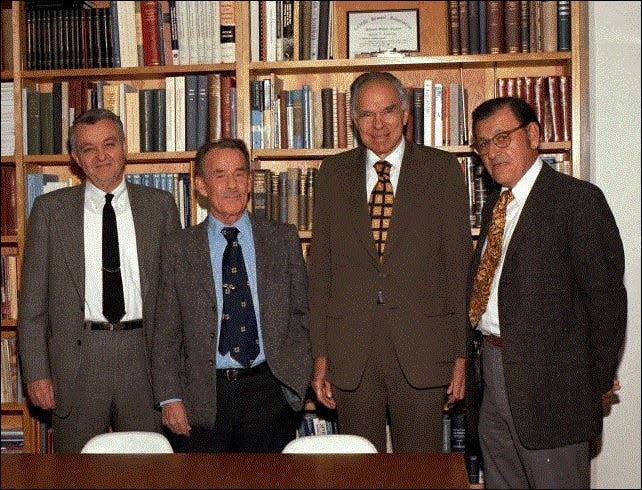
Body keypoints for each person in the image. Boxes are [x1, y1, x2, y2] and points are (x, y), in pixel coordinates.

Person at [465, 96, 627, 488]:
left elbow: (607, 306)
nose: (492, 151)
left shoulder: (578, 202)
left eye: (503, 137)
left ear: (534, 135)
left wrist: (591, 384)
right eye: (483, 143)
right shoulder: (497, 208)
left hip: (554, 395)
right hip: (492, 377)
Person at [308, 71, 472, 452]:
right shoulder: (332, 174)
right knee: (359, 471)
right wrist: (320, 357)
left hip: (425, 351)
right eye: (366, 115)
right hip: (351, 355)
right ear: (352, 120)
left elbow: (459, 272)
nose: (377, 124)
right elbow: (321, 275)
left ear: (405, 114)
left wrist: (461, 356)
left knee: (418, 473)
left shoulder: (443, 171)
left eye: (387, 111)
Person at [17, 108, 182, 453]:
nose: (101, 155)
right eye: (89, 149)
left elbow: (174, 298)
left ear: (124, 147)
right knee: (74, 472)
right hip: (77, 361)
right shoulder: (49, 211)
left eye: (109, 144)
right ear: (76, 158)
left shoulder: (161, 206)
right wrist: (36, 372)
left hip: (144, 356)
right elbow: (32, 306)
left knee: (147, 469)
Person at [151, 138, 311, 452]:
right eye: (220, 175)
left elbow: (303, 316)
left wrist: (295, 380)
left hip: (269, 391)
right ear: (201, 185)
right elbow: (165, 331)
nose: (232, 184)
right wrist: (170, 397)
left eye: (240, 174)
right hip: (201, 395)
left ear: (250, 182)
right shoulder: (178, 248)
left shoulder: (282, 239)